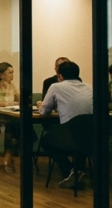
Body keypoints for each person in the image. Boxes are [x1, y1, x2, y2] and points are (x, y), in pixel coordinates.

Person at [38, 61, 94, 189]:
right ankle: (78, 171)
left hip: (69, 134)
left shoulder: (55, 87)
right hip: (90, 135)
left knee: (46, 142)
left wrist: (39, 104)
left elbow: (44, 111)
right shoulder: (89, 87)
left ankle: (70, 171)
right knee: (79, 141)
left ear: (60, 76)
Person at [0, 62, 21, 170]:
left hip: (10, 115)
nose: (12, 75)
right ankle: (9, 152)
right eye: (9, 73)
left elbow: (20, 100)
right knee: (15, 124)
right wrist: (8, 104)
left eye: (13, 73)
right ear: (1, 75)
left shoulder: (12, 86)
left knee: (15, 123)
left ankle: (8, 153)